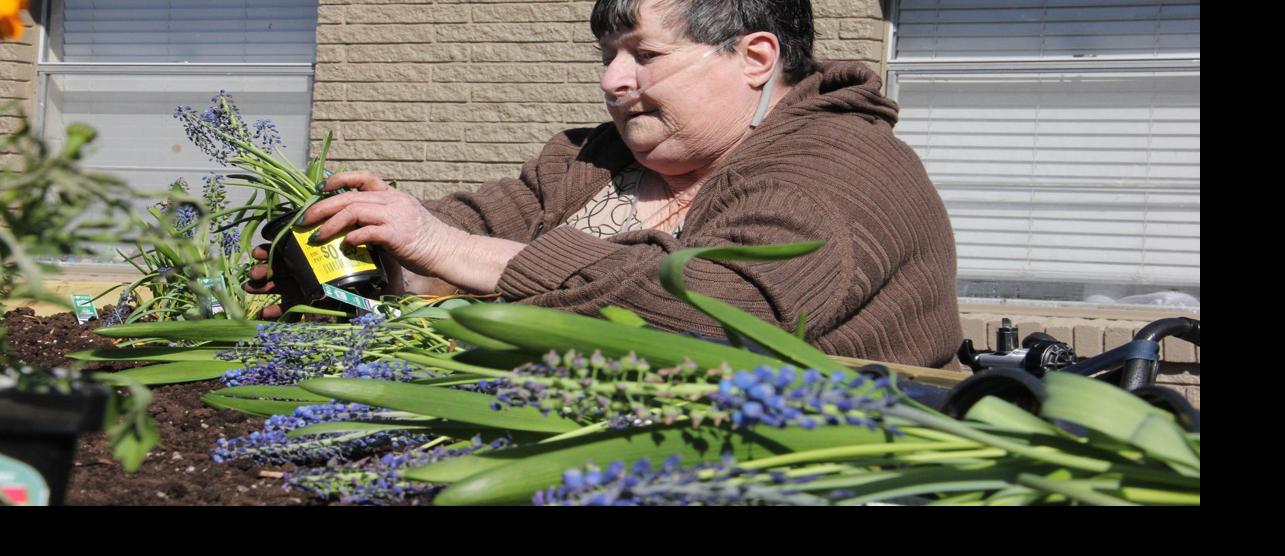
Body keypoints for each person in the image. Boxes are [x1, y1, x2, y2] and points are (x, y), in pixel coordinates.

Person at [248, 0, 962, 369]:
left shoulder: (841, 164)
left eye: (644, 54)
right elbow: (483, 218)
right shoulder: (591, 159)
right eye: (608, 55)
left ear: (754, 57)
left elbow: (720, 314)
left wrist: (455, 252)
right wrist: (371, 256)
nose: (612, 80)